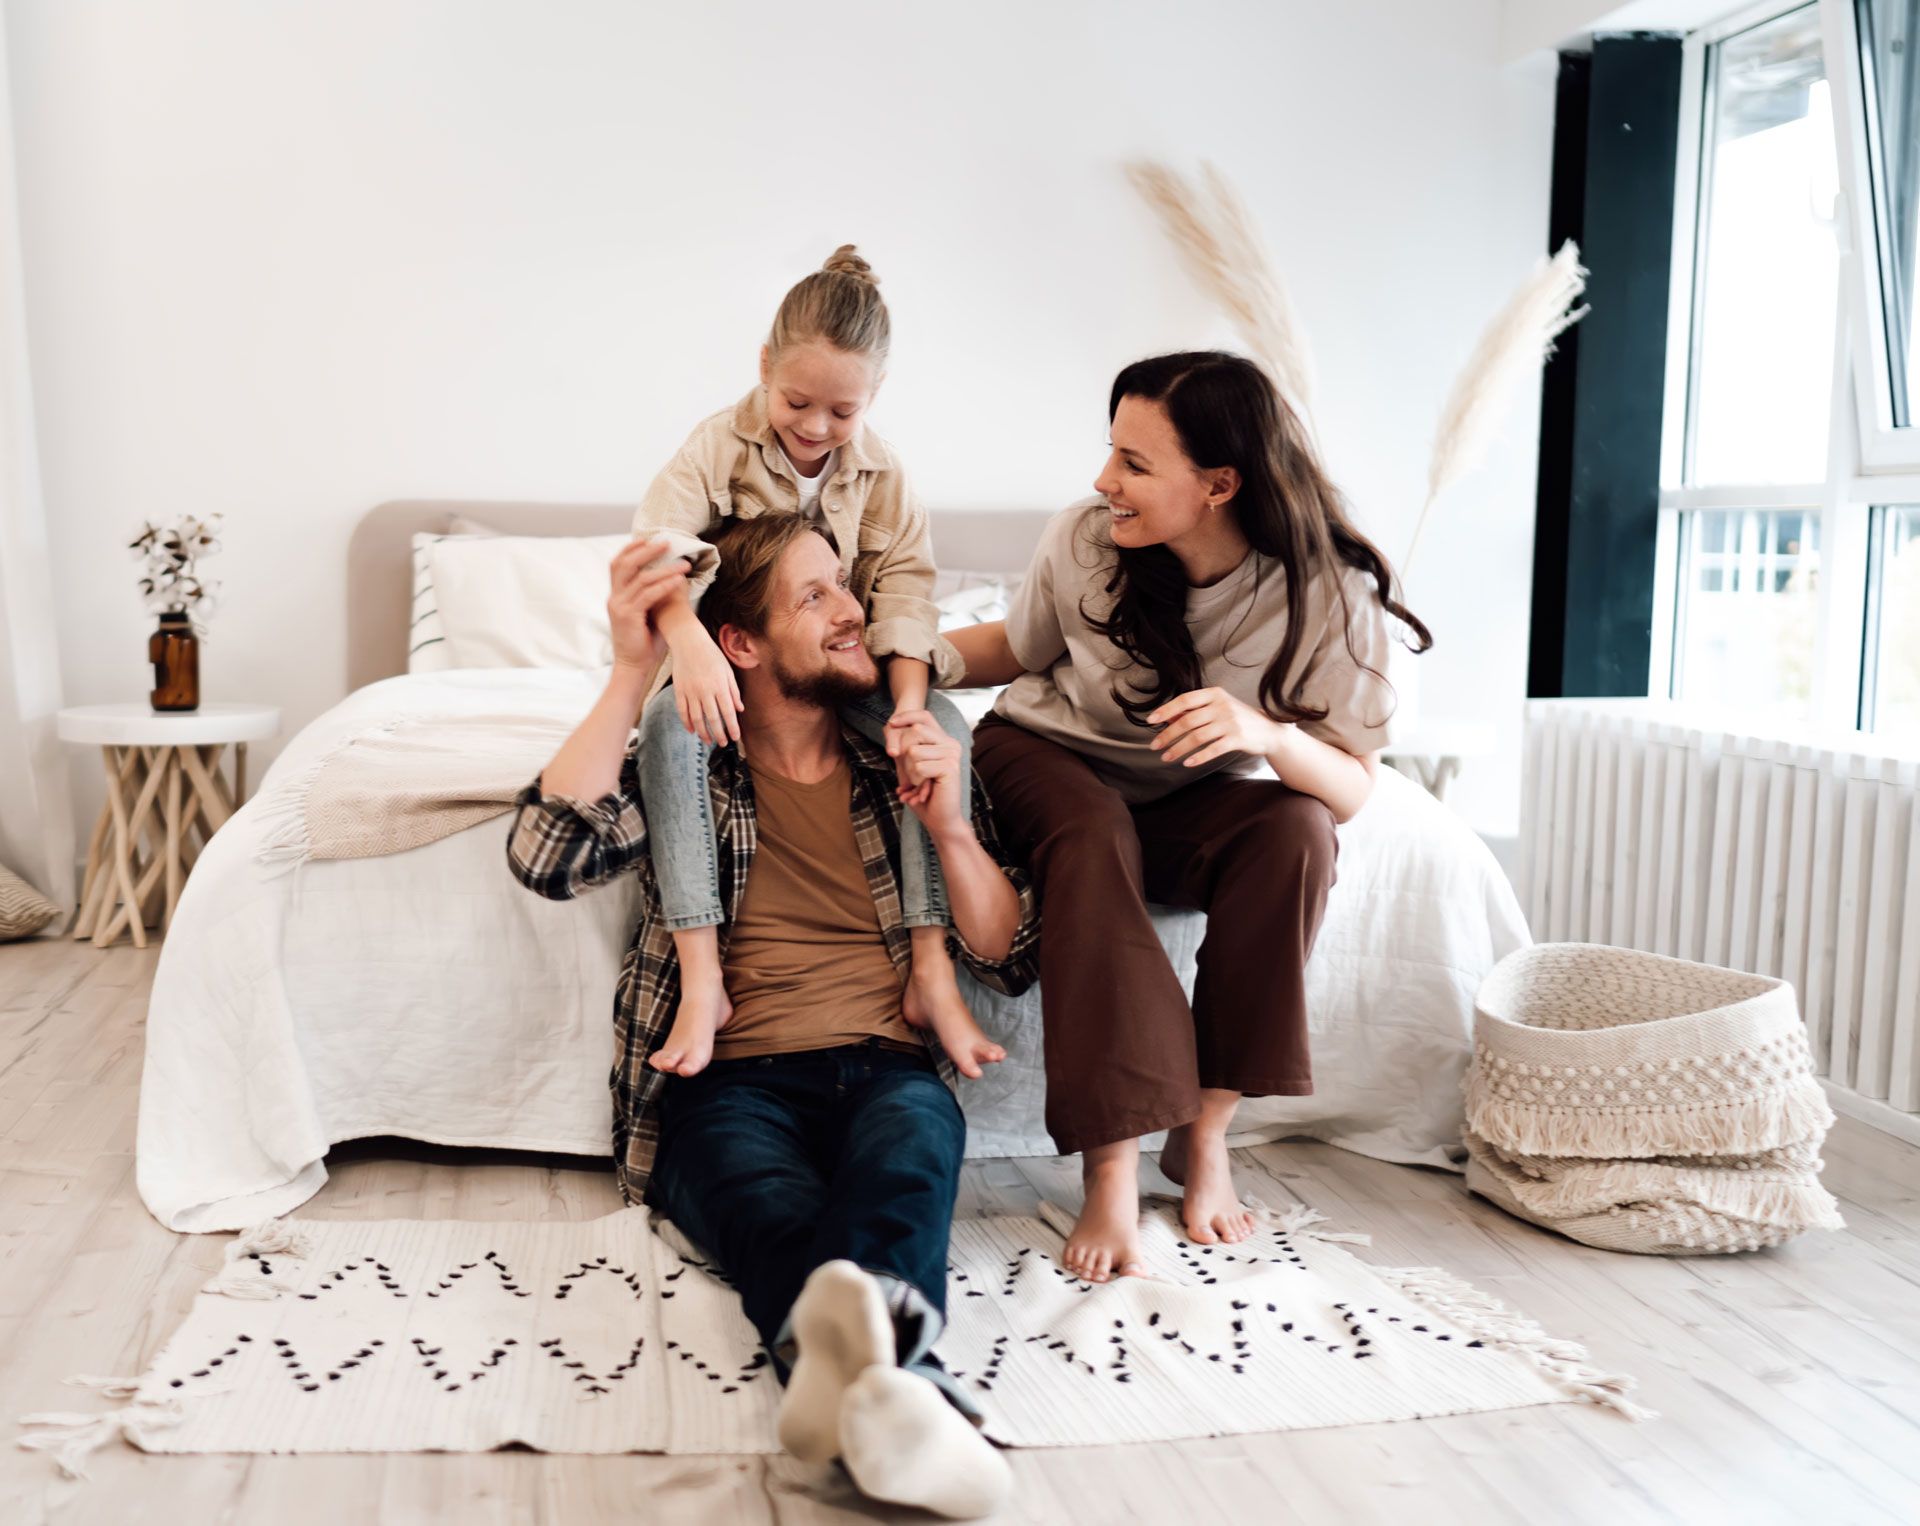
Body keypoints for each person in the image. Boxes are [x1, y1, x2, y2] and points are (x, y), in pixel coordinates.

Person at [506, 513, 1037, 1519]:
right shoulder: (689, 765)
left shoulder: (898, 759)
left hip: (887, 1062)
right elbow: (547, 855)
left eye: (847, 587)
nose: (853, 613)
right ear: (738, 643)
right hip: (728, 1081)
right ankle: (911, 1397)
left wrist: (955, 831)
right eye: (816, 596)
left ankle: (856, 1385)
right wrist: (633, 668)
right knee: (764, 1206)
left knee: (908, 1160)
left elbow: (1010, 956)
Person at [948, 351, 1430, 1283]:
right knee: (1094, 837)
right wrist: (899, 656)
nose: (1104, 481)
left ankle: (1204, 1134)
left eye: (1134, 463)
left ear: (1219, 484)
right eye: (1110, 453)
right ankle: (1112, 1167)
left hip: (1183, 792)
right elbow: (1015, 647)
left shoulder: (1324, 593)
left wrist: (1267, 734)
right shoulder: (1086, 541)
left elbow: (1355, 788)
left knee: (1296, 831)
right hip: (1042, 756)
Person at [630, 245, 998, 1081]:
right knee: (667, 726)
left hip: (836, 674)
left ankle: (930, 966)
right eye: (797, 402)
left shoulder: (886, 473)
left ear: (873, 397)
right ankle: (703, 978)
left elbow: (905, 594)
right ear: (764, 368)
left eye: (842, 410)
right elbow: (660, 551)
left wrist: (906, 705)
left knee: (941, 725)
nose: (817, 427)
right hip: (724, 662)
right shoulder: (713, 448)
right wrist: (689, 644)